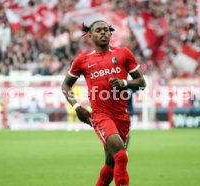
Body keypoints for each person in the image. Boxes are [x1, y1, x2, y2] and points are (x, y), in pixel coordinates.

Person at [61, 20, 146, 186]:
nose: (103, 33)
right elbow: (65, 85)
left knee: (111, 164)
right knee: (121, 155)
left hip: (122, 116)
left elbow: (141, 82)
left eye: (106, 30)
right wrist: (77, 107)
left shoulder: (123, 53)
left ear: (110, 33)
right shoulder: (83, 60)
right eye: (98, 30)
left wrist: (124, 83)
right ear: (90, 35)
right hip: (101, 115)